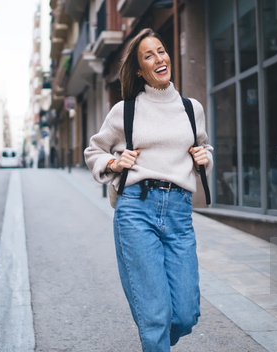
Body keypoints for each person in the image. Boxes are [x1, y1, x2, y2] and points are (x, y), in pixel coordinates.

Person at [84, 28, 213, 351]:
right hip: (137, 210)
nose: (159, 58)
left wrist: (204, 156)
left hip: (180, 212)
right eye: (148, 55)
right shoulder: (125, 111)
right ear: (140, 69)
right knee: (155, 315)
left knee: (185, 313)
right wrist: (114, 163)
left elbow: (203, 149)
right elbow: (94, 151)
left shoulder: (191, 109)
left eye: (162, 51)